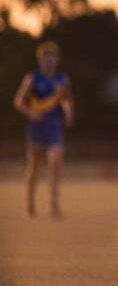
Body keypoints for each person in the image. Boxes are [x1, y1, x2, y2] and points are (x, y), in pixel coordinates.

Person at [12, 41, 74, 218]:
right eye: (46, 58)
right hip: (36, 129)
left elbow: (67, 100)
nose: (49, 61)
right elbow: (18, 101)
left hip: (53, 127)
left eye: (52, 58)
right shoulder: (32, 78)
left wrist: (69, 113)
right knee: (34, 168)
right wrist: (31, 113)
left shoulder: (62, 80)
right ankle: (30, 204)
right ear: (40, 60)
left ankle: (54, 204)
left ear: (57, 60)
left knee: (55, 160)